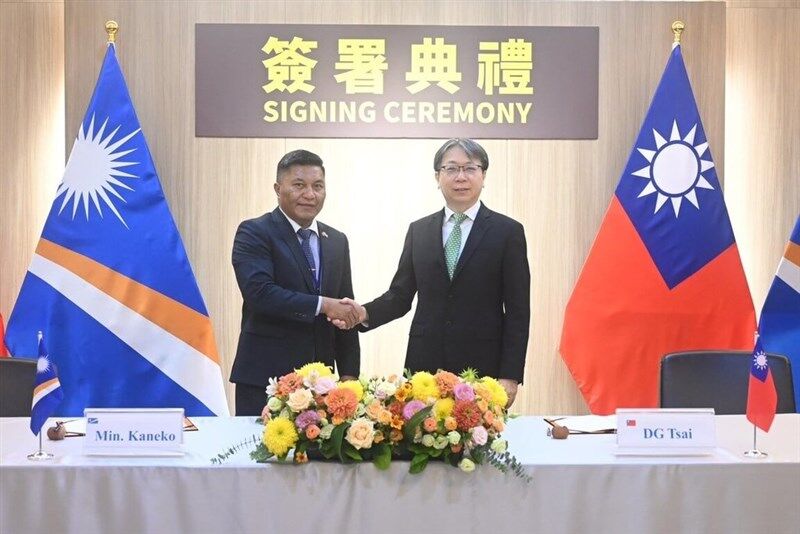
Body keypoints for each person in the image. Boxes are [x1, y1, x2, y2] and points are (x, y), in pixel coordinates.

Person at [337, 138, 530, 406]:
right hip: (424, 367)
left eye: (470, 168)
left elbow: (519, 312)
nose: (460, 177)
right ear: (437, 177)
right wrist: (364, 313)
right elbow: (400, 295)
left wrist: (510, 375)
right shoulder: (420, 231)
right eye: (451, 169)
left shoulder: (507, 232)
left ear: (483, 175)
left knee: (477, 445)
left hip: (483, 368)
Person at [230, 149, 360, 415]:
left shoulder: (336, 240)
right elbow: (260, 294)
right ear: (278, 189)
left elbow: (344, 308)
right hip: (266, 380)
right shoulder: (254, 231)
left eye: (318, 186)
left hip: (322, 384)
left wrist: (348, 375)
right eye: (299, 185)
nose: (309, 194)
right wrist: (323, 305)